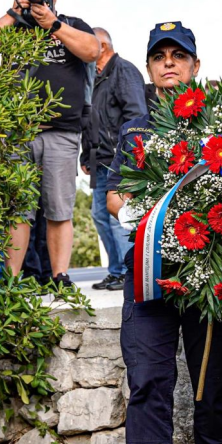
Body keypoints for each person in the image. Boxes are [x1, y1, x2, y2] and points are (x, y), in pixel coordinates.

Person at [105, 22, 222, 444]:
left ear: (195, 66)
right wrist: (130, 207)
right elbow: (114, 191)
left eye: (178, 55)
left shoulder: (221, 125)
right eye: (159, 56)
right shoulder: (134, 130)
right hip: (149, 277)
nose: (169, 63)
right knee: (148, 383)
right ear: (148, 68)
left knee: (211, 382)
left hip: (210, 275)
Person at [0, 0, 100, 283]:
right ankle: (11, 282)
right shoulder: (15, 28)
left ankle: (60, 276)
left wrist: (53, 24)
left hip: (62, 131)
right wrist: (14, 12)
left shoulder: (71, 24)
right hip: (19, 132)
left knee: (59, 209)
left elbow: (92, 50)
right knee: (18, 211)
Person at [83, 27, 146, 291]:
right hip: (99, 160)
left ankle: (128, 271)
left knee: (117, 216)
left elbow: (137, 115)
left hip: (118, 158)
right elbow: (89, 121)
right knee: (99, 215)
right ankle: (116, 270)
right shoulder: (93, 79)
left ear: (103, 46)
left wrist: (129, 156)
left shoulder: (124, 71)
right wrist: (86, 155)